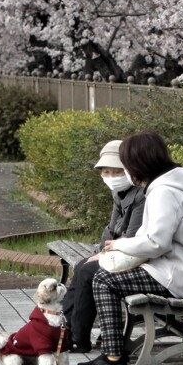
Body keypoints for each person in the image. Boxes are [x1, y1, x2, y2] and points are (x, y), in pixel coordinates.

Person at [73, 132, 183, 365]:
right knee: (105, 276)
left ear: (138, 164)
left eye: (126, 165)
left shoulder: (163, 193)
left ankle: (114, 358)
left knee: (104, 280)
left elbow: (156, 243)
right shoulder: (169, 185)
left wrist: (120, 246)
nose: (125, 171)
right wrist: (123, 244)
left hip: (181, 276)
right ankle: (112, 353)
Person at [61, 140, 146, 353]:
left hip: (135, 256)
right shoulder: (119, 193)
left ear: (128, 170)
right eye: (105, 172)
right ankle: (66, 331)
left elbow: (133, 236)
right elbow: (111, 227)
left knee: (88, 270)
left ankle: (77, 338)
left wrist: (105, 254)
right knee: (82, 266)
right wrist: (102, 250)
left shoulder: (142, 195)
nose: (110, 177)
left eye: (116, 171)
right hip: (119, 249)